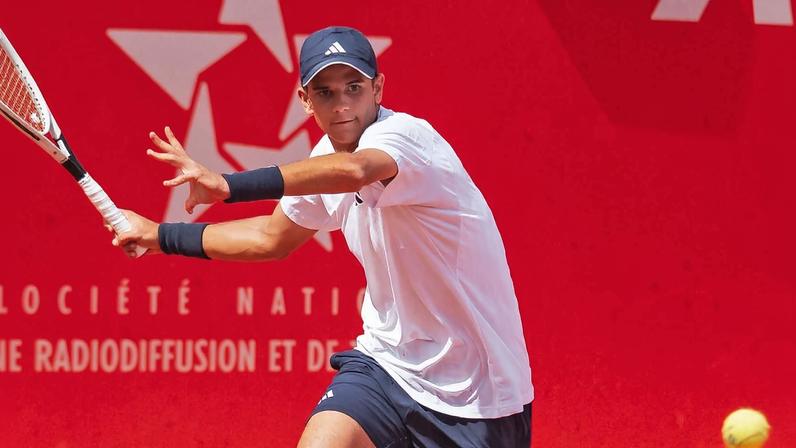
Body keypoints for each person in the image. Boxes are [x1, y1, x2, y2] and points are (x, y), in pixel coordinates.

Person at [114, 26, 533, 448]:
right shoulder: (323, 160)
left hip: (477, 396)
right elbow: (270, 237)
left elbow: (356, 170)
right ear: (305, 100)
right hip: (386, 367)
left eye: (354, 87)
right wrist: (160, 235)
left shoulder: (407, 138)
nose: (342, 104)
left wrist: (227, 185)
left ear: (378, 88)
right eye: (326, 92)